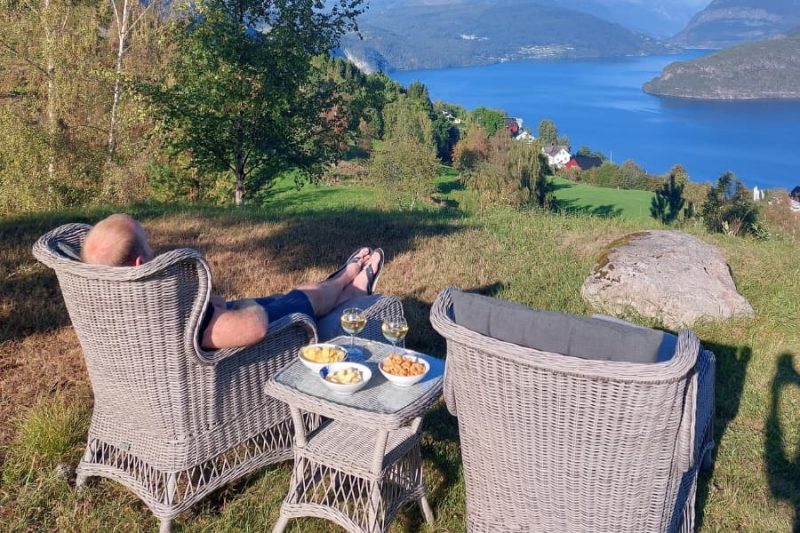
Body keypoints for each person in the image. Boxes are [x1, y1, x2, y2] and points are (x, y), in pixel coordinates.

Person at [80, 214, 384, 350]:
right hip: (243, 340)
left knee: (293, 294)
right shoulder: (164, 305)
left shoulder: (105, 303)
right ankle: (348, 279)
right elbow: (253, 328)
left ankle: (349, 288)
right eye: (148, 243)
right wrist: (231, 306)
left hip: (211, 328)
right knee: (302, 300)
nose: (153, 247)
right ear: (139, 263)